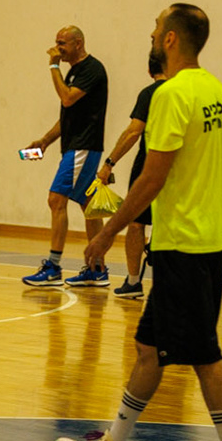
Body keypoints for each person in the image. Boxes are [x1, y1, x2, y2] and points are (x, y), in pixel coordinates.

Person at [55, 2, 222, 441]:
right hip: (207, 239)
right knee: (149, 348)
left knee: (204, 354)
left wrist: (107, 231)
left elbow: (153, 176)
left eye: (155, 28)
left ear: (170, 38)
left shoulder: (170, 94)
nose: (150, 34)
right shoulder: (214, 89)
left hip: (185, 242)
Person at [20, 26, 108, 287]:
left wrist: (53, 66)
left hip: (83, 146)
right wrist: (45, 141)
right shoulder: (74, 72)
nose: (57, 48)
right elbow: (68, 115)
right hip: (76, 146)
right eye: (56, 43)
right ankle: (97, 268)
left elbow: (67, 99)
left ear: (78, 43)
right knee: (89, 204)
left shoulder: (92, 69)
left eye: (62, 43)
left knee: (56, 199)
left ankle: (53, 267)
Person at [95, 46, 166, 299]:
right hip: (178, 166)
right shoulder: (182, 92)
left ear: (149, 70)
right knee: (169, 224)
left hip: (148, 164)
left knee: (136, 223)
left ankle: (134, 281)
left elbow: (134, 131)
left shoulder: (150, 94)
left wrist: (109, 162)